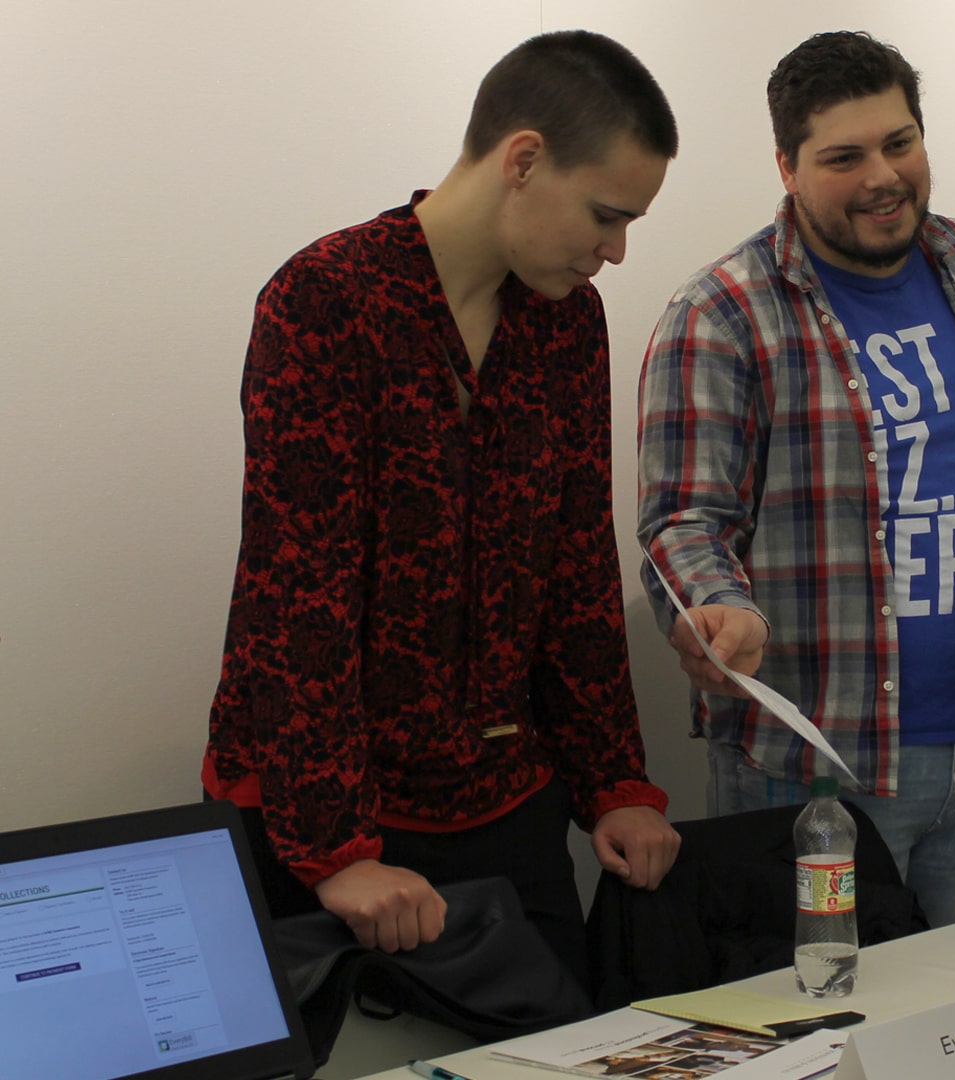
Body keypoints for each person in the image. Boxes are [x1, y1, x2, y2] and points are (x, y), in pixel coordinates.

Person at [202, 30, 682, 993]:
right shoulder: (325, 301)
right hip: (323, 821)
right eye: (606, 214)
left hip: (503, 801)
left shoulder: (565, 324)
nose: (618, 251)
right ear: (523, 159)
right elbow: (302, 591)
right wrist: (337, 851)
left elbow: (576, 571)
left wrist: (613, 785)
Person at [637, 31, 955, 926]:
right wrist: (718, 609)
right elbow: (684, 520)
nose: (884, 175)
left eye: (900, 143)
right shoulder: (720, 313)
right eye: (844, 157)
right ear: (788, 166)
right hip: (814, 777)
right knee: (826, 1040)